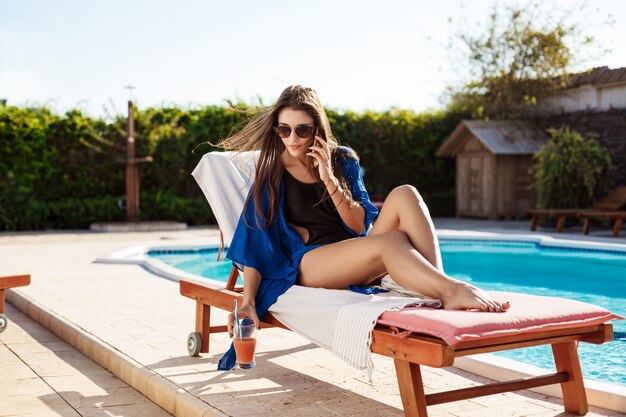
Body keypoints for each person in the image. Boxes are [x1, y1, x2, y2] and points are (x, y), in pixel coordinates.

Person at [217, 85, 509, 353]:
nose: (292, 139)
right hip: (310, 263)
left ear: (317, 128)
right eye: (284, 130)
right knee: (391, 242)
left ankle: (439, 288)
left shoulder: (342, 160)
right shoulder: (274, 172)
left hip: (355, 250)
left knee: (406, 194)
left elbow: (358, 226)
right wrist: (247, 303)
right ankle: (451, 290)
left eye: (302, 130)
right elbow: (255, 241)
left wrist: (328, 177)